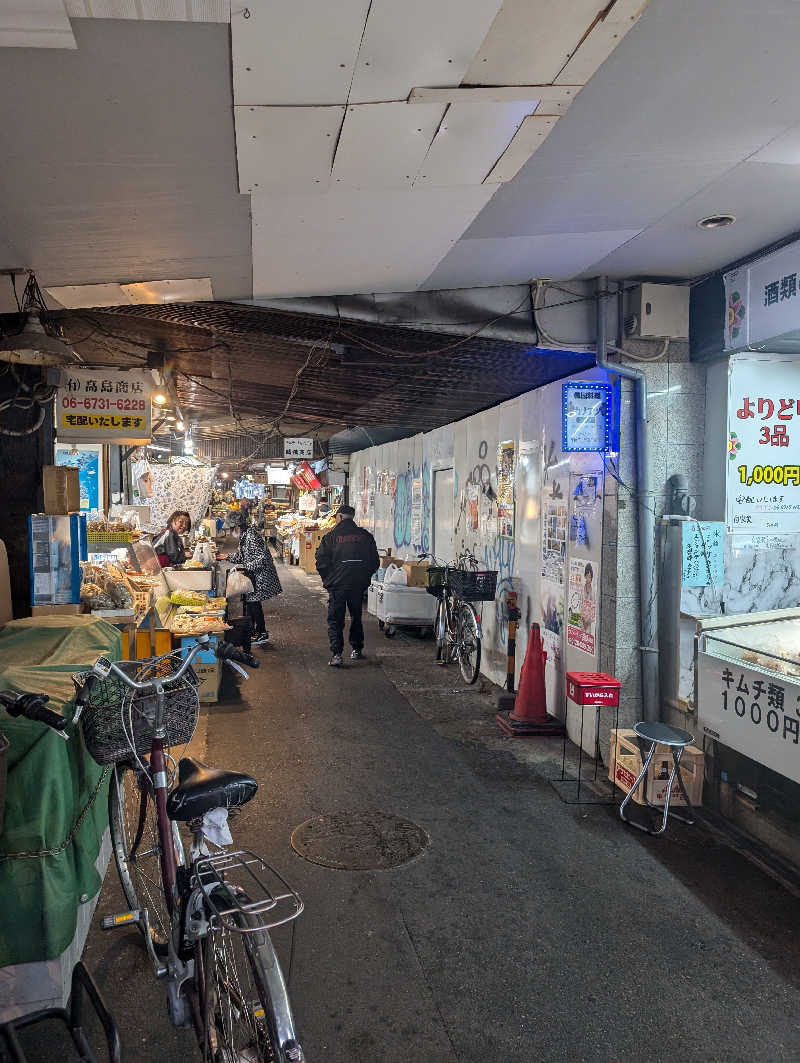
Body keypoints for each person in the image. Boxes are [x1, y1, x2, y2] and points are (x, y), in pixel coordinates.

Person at [315, 504, 379, 667]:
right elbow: (375, 562)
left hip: (338, 585)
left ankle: (337, 654)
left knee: (336, 619)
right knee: (356, 616)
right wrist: (364, 578)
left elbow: (321, 560)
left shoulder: (331, 536)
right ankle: (357, 649)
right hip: (358, 585)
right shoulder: (365, 536)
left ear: (340, 517)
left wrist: (329, 580)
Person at [226, 522, 282, 645]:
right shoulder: (245, 537)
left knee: (254, 603)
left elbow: (262, 559)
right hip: (254, 576)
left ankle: (262, 633)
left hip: (261, 576)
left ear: (238, 527)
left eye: (231, 529)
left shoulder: (252, 537)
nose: (231, 533)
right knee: (251, 603)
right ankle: (252, 631)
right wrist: (226, 556)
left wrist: (246, 566)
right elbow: (242, 556)